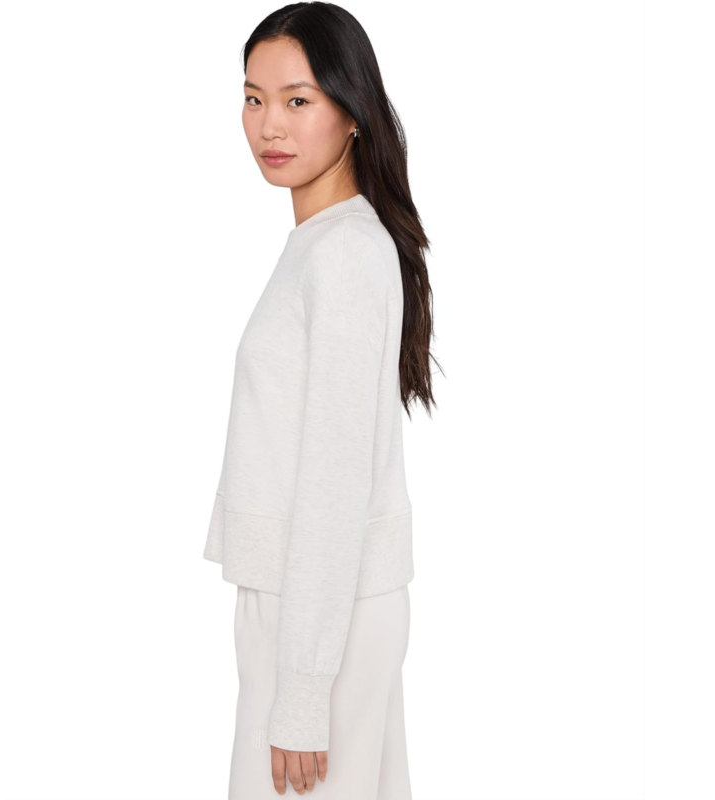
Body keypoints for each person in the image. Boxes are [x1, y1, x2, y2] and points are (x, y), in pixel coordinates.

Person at [202, 3, 439, 797]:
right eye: (253, 97)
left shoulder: (342, 256)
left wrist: (302, 689)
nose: (269, 124)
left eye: (297, 100)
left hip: (317, 613)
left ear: (353, 111)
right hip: (317, 602)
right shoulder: (327, 243)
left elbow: (335, 481)